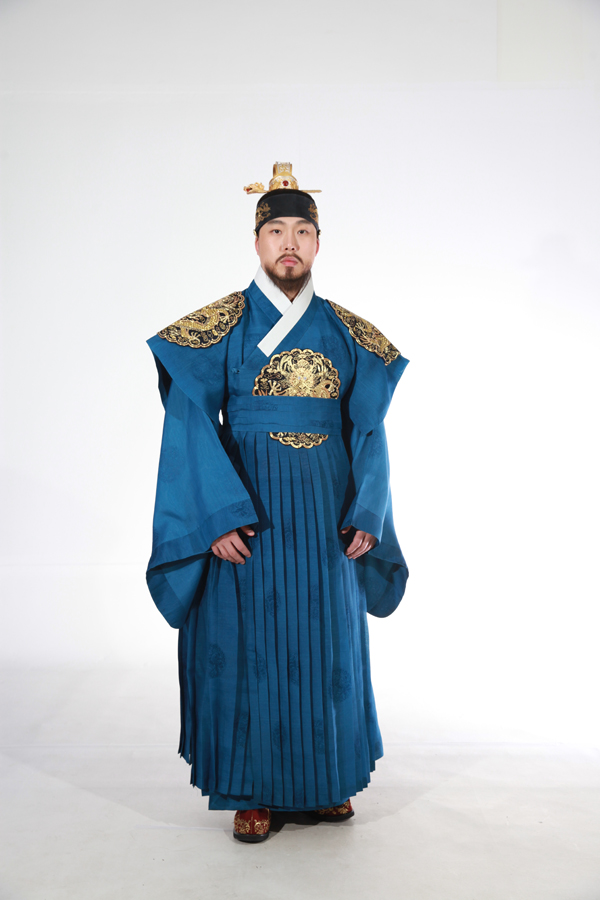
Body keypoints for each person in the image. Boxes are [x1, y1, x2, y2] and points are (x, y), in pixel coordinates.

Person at [146, 162, 409, 843]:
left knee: (327, 643)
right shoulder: (221, 325)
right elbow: (189, 418)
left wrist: (368, 512)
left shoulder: (350, 334)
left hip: (326, 515)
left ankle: (327, 782)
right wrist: (215, 515)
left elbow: (369, 429)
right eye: (275, 231)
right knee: (246, 644)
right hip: (247, 509)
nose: (289, 243)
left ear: (318, 242)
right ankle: (251, 790)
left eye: (302, 231)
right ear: (257, 241)